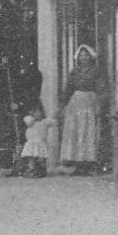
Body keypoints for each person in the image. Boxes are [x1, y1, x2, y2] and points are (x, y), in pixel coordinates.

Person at [58, 44, 106, 175]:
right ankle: (78, 164)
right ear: (78, 58)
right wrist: (63, 105)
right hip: (76, 103)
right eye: (81, 56)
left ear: (91, 57)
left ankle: (88, 164)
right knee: (76, 131)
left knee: (88, 131)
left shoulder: (96, 71)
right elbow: (68, 88)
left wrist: (99, 104)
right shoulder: (74, 72)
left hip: (90, 100)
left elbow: (101, 88)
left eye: (86, 55)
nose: (84, 58)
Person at [16, 104, 50, 178]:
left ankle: (41, 169)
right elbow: (28, 120)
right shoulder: (31, 121)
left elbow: (52, 122)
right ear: (32, 113)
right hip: (32, 143)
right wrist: (33, 117)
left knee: (41, 157)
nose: (39, 114)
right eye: (37, 112)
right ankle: (31, 169)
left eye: (40, 112)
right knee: (31, 157)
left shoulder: (44, 122)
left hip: (40, 143)